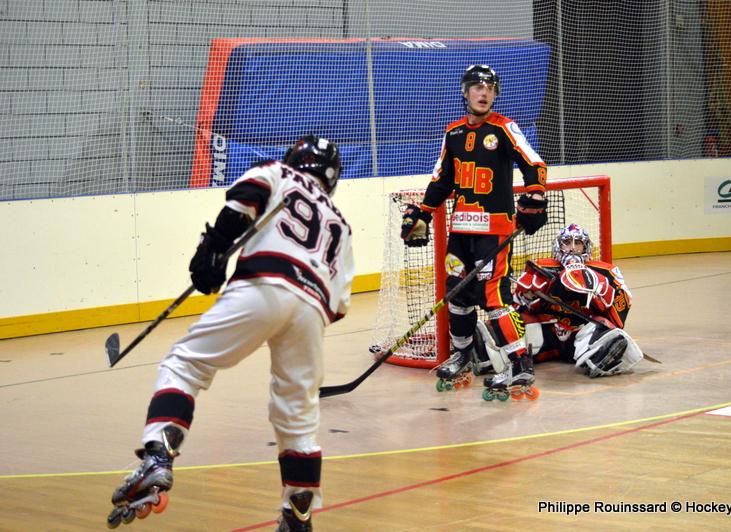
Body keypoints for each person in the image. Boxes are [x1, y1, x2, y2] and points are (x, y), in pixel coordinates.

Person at [107, 135, 354, 532]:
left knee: (185, 364)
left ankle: (158, 456)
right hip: (312, 311)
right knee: (298, 411)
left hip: (263, 284)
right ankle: (298, 512)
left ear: (295, 159)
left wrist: (213, 250)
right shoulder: (341, 223)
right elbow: (340, 304)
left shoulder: (278, 172)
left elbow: (245, 196)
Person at [400, 64, 549, 399]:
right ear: (465, 92)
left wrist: (536, 194)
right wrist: (422, 212)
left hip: (494, 231)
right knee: (457, 294)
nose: (484, 93)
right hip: (461, 231)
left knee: (495, 298)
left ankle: (519, 363)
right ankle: (462, 355)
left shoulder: (506, 128)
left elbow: (534, 164)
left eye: (490, 88)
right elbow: (442, 180)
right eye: (477, 87)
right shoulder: (452, 133)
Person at [476, 223, 643, 383]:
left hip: (581, 334)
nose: (572, 247)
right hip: (549, 334)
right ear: (558, 246)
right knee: (513, 323)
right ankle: (489, 353)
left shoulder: (606, 271)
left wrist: (603, 292)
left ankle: (601, 359)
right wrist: (526, 297)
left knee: (605, 330)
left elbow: (621, 312)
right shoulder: (540, 267)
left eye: (578, 243)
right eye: (567, 242)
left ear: (586, 247)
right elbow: (517, 306)